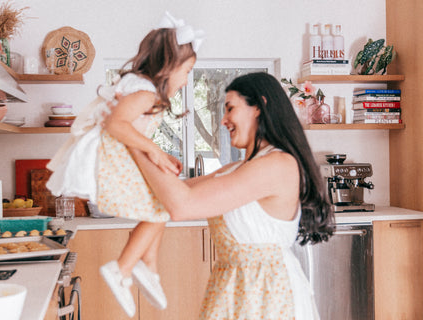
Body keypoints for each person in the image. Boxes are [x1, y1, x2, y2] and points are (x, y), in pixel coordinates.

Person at [129, 72, 334, 319]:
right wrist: (136, 139)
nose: (224, 120)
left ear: (260, 106)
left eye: (230, 109)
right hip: (234, 286)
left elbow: (181, 205)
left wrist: (132, 139)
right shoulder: (237, 168)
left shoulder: (278, 164)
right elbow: (168, 192)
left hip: (267, 292)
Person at [46, 11, 203, 318]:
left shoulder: (142, 89)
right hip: (113, 159)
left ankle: (148, 268)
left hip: (117, 156)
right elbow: (117, 125)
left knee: (160, 207)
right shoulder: (145, 92)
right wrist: (154, 152)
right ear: (170, 67)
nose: (186, 81)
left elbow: (129, 127)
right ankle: (123, 268)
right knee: (163, 207)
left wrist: (158, 152)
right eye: (186, 72)